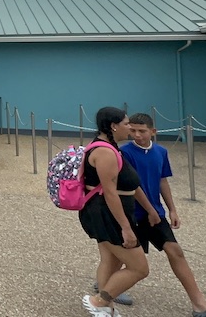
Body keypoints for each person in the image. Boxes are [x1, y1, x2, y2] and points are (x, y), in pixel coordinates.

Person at [117, 113, 206, 317]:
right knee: (122, 257)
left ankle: (200, 305)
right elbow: (133, 185)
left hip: (155, 213)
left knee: (175, 251)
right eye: (133, 130)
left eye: (142, 131)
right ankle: (106, 284)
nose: (137, 135)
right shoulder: (124, 153)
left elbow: (162, 181)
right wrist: (150, 210)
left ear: (153, 131)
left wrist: (172, 209)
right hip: (133, 214)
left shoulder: (161, 152)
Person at [79, 106, 160, 316]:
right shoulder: (104, 152)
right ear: (114, 126)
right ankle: (99, 301)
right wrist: (126, 227)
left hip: (110, 211)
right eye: (126, 124)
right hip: (107, 213)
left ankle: (106, 308)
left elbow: (129, 186)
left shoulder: (111, 148)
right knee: (139, 268)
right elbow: (110, 192)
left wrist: (149, 209)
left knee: (111, 260)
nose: (130, 128)